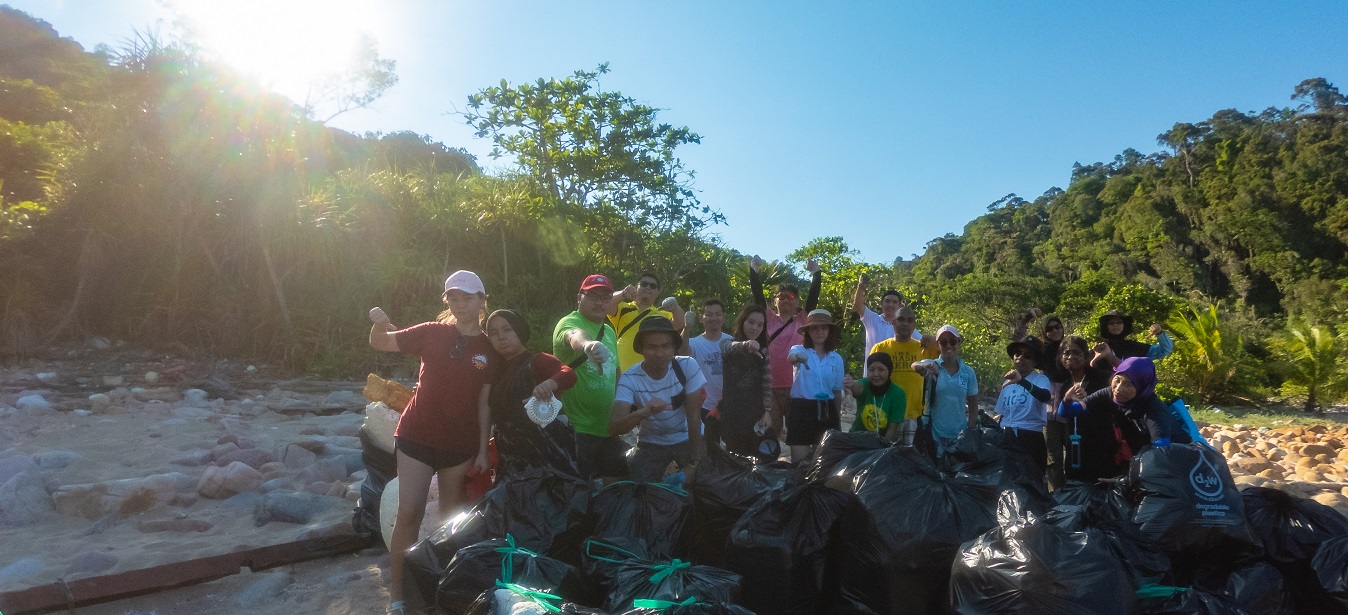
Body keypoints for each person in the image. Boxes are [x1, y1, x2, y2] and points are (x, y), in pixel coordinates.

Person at [367, 270, 497, 615]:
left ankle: (444, 592)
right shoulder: (431, 332)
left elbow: (485, 403)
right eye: (453, 297)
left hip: (460, 446)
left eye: (468, 297)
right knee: (408, 512)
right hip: (416, 435)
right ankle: (398, 597)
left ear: (482, 301)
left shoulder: (489, 348)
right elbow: (381, 342)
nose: (460, 304)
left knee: (451, 521)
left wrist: (484, 449)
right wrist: (379, 323)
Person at [1059, 356, 1191, 482]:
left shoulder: (1154, 411)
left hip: (1176, 466)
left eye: (1128, 384)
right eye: (1117, 380)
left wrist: (1126, 480)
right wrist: (1067, 399)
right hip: (1145, 461)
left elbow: (1161, 453)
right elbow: (1068, 412)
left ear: (1141, 387)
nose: (1119, 388)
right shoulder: (1110, 393)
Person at [484, 309, 579, 478]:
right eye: (494, 333)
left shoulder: (537, 360)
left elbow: (569, 374)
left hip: (549, 456)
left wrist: (549, 384)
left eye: (507, 329)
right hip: (510, 458)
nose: (501, 337)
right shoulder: (495, 372)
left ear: (519, 330)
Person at [609, 316, 707, 482]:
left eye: (666, 346)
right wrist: (643, 412)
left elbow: (694, 418)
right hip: (651, 442)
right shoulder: (630, 378)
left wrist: (694, 464)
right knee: (640, 490)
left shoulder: (687, 366)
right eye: (652, 347)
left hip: (686, 436)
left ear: (674, 348)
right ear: (641, 349)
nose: (660, 353)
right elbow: (614, 428)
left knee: (705, 483)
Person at [552, 274, 625, 482]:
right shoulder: (569, 321)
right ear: (579, 298)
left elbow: (616, 371)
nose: (600, 302)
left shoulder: (609, 332)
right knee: (579, 488)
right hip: (576, 429)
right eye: (592, 296)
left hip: (608, 428)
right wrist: (587, 345)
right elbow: (574, 335)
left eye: (605, 297)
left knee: (616, 485)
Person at [749, 256, 821, 433]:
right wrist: (753, 270)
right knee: (770, 432)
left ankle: (799, 461)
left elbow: (813, 297)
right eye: (781, 297)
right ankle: (770, 460)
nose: (786, 300)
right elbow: (758, 296)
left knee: (797, 431)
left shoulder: (802, 319)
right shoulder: (769, 319)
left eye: (790, 297)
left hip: (796, 387)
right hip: (769, 387)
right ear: (775, 301)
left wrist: (816, 273)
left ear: (797, 301)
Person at [1047, 336, 1111, 489]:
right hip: (1074, 452)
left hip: (1101, 450)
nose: (1070, 357)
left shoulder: (1100, 377)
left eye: (1076, 353)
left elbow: (1128, 378)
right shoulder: (1066, 386)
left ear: (1086, 355)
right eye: (1066, 353)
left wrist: (1110, 356)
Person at [870, 306, 939, 445]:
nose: (905, 324)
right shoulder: (880, 348)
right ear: (893, 322)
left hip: (913, 416)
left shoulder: (924, 348)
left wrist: (934, 339)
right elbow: (871, 381)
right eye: (901, 319)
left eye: (910, 320)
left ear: (914, 324)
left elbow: (953, 346)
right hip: (885, 415)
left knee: (910, 459)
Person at [785, 309, 845, 463]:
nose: (820, 332)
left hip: (826, 409)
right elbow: (791, 358)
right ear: (808, 331)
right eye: (815, 328)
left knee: (825, 462)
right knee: (800, 462)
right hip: (801, 409)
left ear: (829, 331)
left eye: (824, 328)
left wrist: (837, 419)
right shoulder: (799, 349)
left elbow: (836, 391)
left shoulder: (836, 358)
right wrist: (799, 358)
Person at [718, 304, 776, 461]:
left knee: (757, 454)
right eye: (751, 322)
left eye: (760, 325)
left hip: (755, 411)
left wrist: (768, 411)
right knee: (733, 454)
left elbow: (767, 384)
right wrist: (746, 345)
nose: (755, 328)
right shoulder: (728, 344)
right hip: (732, 411)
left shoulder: (763, 351)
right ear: (742, 322)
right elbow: (727, 348)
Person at [912, 325, 979, 457]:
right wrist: (926, 366)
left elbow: (973, 406)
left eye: (953, 341)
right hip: (934, 434)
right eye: (943, 342)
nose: (948, 345)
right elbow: (914, 366)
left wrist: (969, 432)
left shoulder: (968, 372)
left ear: (958, 343)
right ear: (938, 345)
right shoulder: (932, 365)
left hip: (959, 435)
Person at [996, 339, 1053, 476]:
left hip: (1030, 436)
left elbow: (1045, 397)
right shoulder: (1007, 382)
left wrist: (1022, 381)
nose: (1020, 358)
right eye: (1017, 354)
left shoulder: (1040, 380)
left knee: (1031, 481)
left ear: (1035, 361)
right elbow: (1002, 413)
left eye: (1027, 355)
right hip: (1008, 435)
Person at [610, 272, 685, 372]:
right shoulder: (623, 308)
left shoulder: (662, 315)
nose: (648, 288)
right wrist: (623, 294)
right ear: (637, 286)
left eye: (653, 286)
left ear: (658, 292)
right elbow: (608, 303)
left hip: (651, 376)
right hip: (622, 373)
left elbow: (680, 323)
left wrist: (675, 307)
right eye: (644, 284)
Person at [687, 299, 732, 452]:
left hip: (729, 403)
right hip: (705, 405)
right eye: (709, 314)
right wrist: (686, 327)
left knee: (732, 448)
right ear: (701, 318)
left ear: (724, 318)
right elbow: (680, 353)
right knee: (710, 448)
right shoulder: (693, 343)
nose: (714, 318)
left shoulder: (732, 341)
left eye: (718, 314)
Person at [852, 273, 922, 355]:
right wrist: (861, 286)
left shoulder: (904, 325)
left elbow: (922, 341)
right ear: (881, 303)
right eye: (887, 301)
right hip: (873, 367)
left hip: (895, 367)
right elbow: (858, 305)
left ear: (900, 306)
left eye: (894, 302)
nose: (890, 305)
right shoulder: (872, 319)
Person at [843, 352, 907, 440]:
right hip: (856, 438)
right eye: (871, 370)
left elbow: (892, 429)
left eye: (881, 369)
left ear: (889, 371)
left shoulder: (898, 393)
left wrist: (882, 449)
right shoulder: (866, 384)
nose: (876, 374)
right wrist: (851, 384)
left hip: (881, 442)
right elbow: (857, 386)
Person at [1092, 309, 1174, 369]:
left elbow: (1165, 350)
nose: (1115, 325)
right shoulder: (1100, 348)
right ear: (1106, 327)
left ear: (1124, 325)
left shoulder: (1135, 347)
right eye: (1111, 323)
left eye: (1119, 322)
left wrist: (1159, 333)